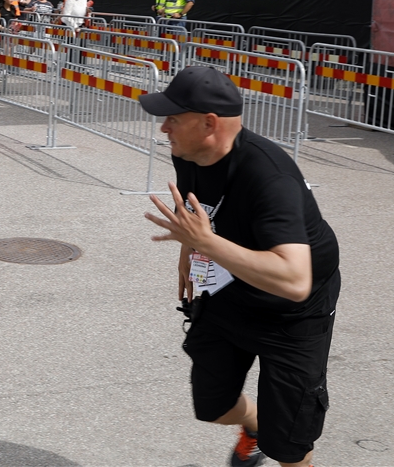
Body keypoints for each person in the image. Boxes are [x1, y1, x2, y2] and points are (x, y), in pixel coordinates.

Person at [140, 66, 340, 467]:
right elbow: (201, 208)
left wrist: (205, 243)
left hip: (293, 312)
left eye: (173, 119)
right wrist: (190, 250)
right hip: (232, 288)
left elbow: (295, 280)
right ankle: (256, 425)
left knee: (289, 445)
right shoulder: (192, 152)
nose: (164, 128)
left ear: (209, 123)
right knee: (212, 405)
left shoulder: (268, 176)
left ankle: (276, 435)